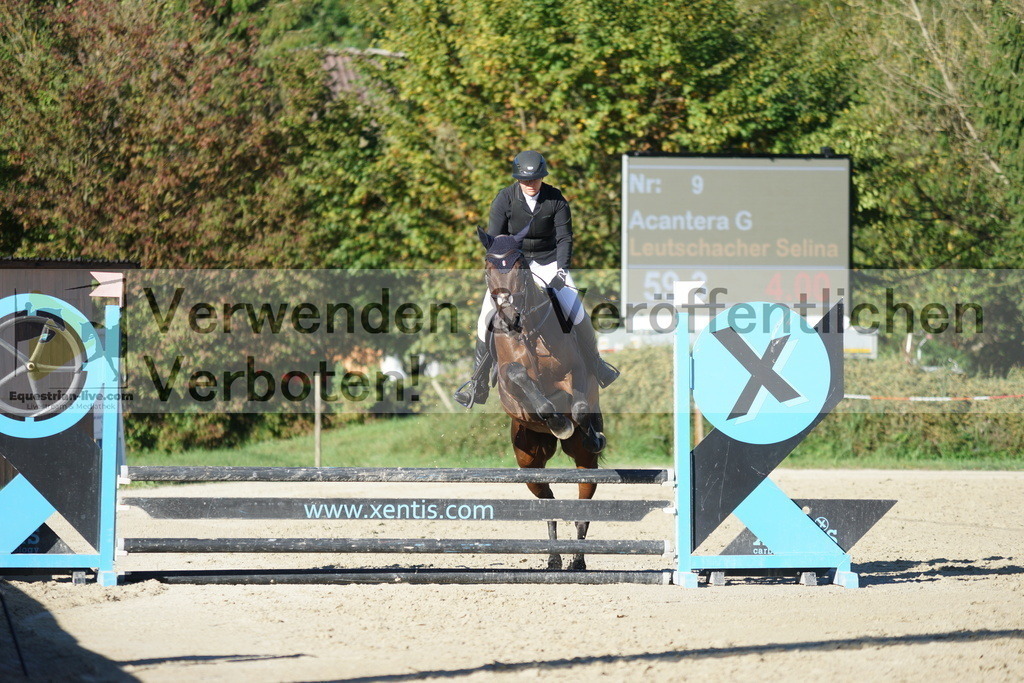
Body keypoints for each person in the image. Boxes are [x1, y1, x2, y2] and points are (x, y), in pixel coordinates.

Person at [454, 150, 619, 408]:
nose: (530, 185)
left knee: (576, 312)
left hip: (548, 261)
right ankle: (478, 382)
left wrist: (561, 271)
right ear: (518, 179)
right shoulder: (504, 199)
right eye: (525, 180)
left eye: (535, 180)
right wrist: (504, 271)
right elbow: (496, 243)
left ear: (542, 177)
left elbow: (565, 238)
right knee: (485, 317)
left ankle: (597, 364)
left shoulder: (555, 200)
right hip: (513, 266)